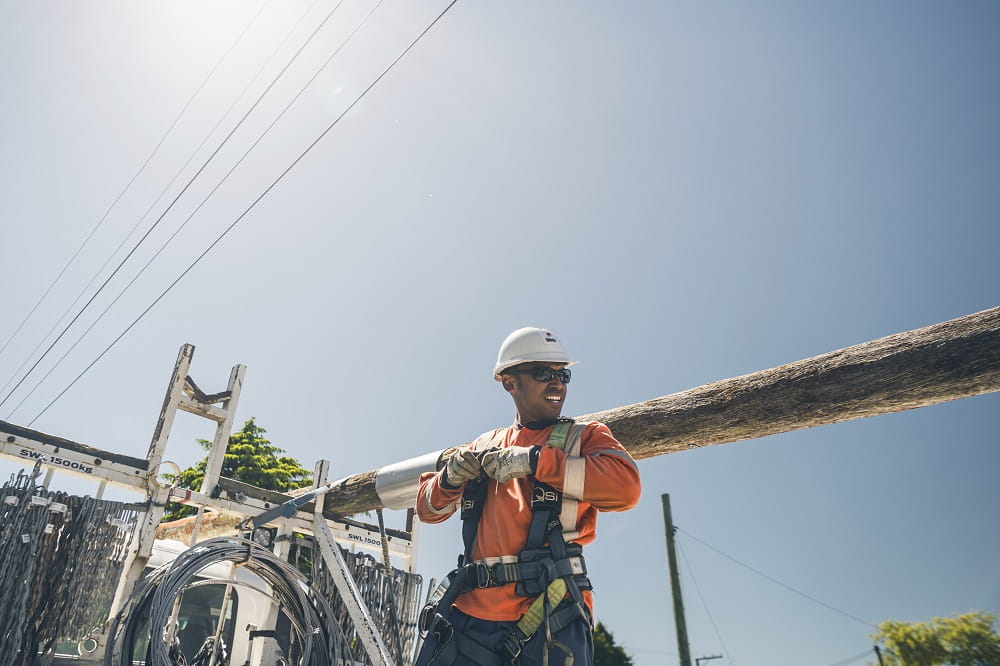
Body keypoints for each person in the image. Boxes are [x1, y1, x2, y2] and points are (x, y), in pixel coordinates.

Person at [415, 327, 641, 666]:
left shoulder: (584, 437)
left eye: (563, 374)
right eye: (543, 373)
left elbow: (627, 489)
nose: (558, 383)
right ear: (510, 382)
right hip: (469, 625)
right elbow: (427, 510)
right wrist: (448, 478)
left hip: (549, 620)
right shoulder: (484, 444)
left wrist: (534, 460)